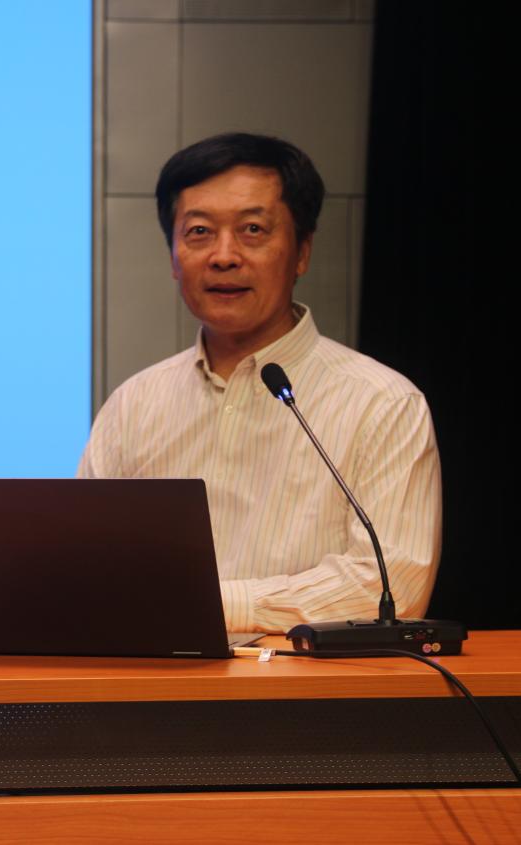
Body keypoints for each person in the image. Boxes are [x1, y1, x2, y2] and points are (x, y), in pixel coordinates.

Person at [78, 133, 441, 634]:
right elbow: (87, 567)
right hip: (155, 681)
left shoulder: (383, 404)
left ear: (302, 252)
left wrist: (208, 602)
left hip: (311, 684)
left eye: (252, 229)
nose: (224, 256)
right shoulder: (134, 405)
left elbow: (392, 587)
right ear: (173, 257)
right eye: (199, 232)